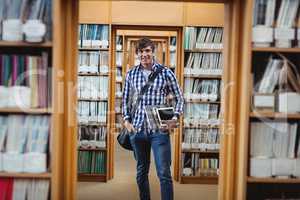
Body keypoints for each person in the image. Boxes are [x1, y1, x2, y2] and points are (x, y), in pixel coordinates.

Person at [122, 37, 184, 200]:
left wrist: (175, 117)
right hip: (137, 129)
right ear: (137, 54)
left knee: (164, 173)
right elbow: (125, 99)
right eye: (141, 52)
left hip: (159, 129)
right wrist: (127, 120)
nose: (144, 54)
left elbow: (179, 97)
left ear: (153, 52)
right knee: (141, 171)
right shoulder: (131, 74)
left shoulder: (165, 73)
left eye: (147, 51)